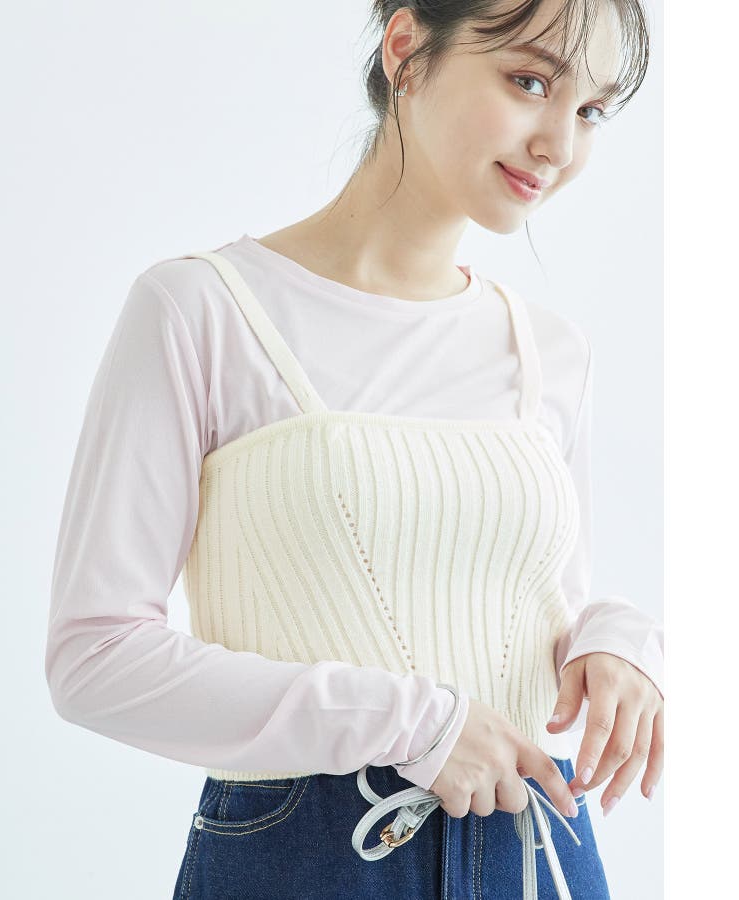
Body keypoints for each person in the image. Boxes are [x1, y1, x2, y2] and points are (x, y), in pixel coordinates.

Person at [44, 0, 664, 897]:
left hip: (538, 845)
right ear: (405, 49)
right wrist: (407, 722)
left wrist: (614, 641)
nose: (559, 145)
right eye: (529, 81)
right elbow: (95, 658)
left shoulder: (550, 352)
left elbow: (537, 610)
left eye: (592, 110)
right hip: (312, 854)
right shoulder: (204, 310)